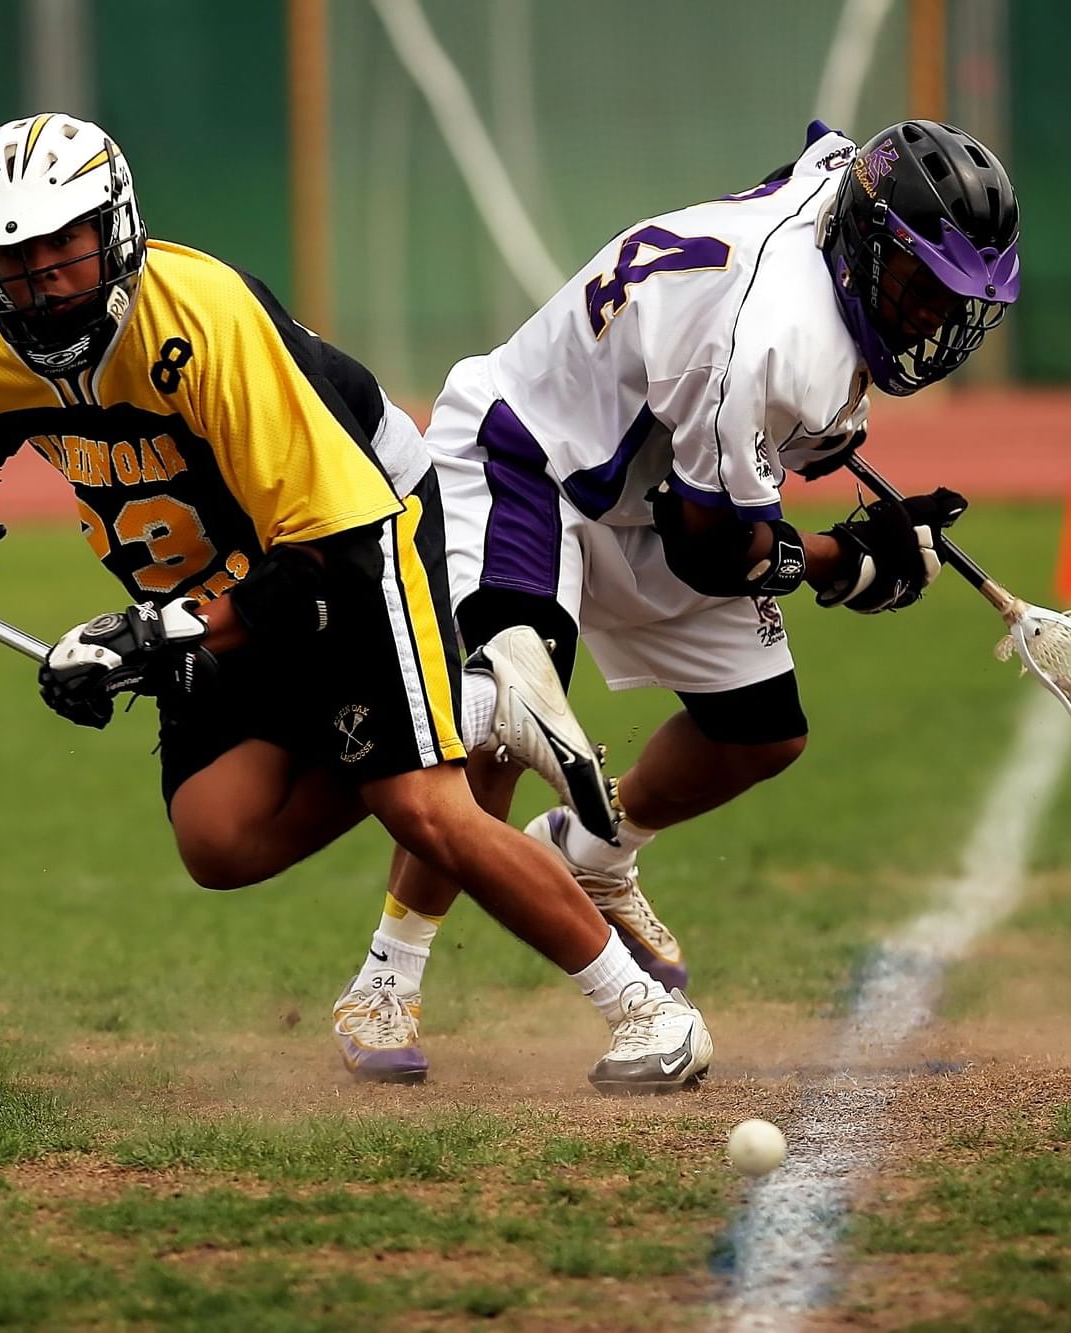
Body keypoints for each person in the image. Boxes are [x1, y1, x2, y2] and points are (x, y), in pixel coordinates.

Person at [0, 113, 713, 1095]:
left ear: (113, 229)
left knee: (420, 804)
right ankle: (466, 711)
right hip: (209, 582)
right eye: (13, 262)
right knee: (220, 837)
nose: (43, 281)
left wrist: (153, 636)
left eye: (61, 247)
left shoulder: (203, 325)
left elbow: (323, 552)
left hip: (360, 531)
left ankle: (648, 1013)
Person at [332, 118, 1019, 1081]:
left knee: (760, 730)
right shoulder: (775, 340)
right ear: (865, 248)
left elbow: (814, 157)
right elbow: (716, 552)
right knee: (497, 732)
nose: (927, 323)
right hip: (529, 460)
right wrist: (852, 565)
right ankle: (385, 979)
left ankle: (591, 850)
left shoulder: (834, 199)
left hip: (645, 485)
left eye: (950, 301)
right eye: (916, 290)